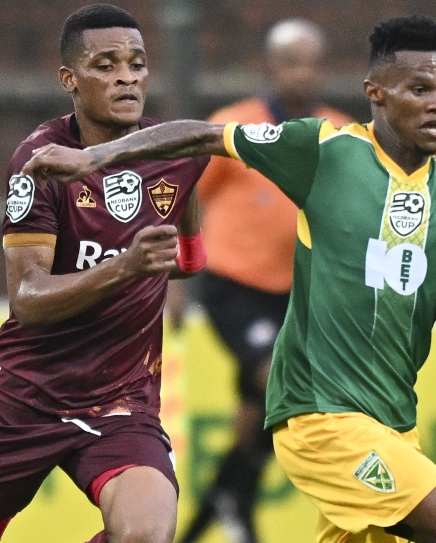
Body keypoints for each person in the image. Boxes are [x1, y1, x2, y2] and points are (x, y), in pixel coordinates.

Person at [21, 14, 436, 543]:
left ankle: (230, 497)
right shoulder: (325, 149)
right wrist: (92, 158)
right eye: (420, 89)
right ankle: (233, 501)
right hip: (319, 416)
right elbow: (202, 137)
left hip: (391, 423)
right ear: (376, 93)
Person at [0, 5, 209, 543]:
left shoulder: (174, 153)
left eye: (138, 63)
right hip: (25, 396)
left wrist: (170, 260)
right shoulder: (39, 163)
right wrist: (126, 266)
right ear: (69, 80)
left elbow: (188, 258)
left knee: (146, 534)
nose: (127, 76)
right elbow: (27, 298)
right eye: (106, 65)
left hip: (120, 401)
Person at [179, 18, 355, 543]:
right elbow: (186, 195)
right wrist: (174, 278)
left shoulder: (342, 134)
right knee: (276, 376)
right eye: (291, 62)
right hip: (232, 284)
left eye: (312, 62)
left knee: (262, 410)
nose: (303, 73)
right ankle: (233, 511)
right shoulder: (236, 127)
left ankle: (221, 510)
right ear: (270, 69)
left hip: (298, 294)